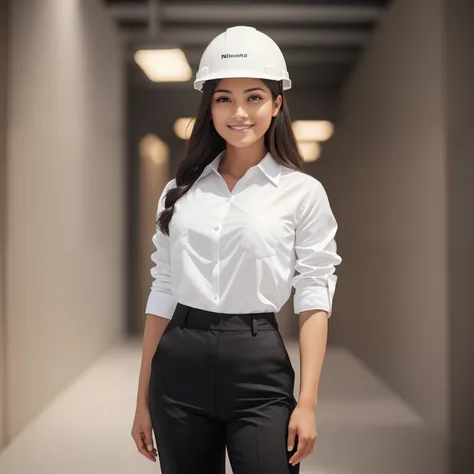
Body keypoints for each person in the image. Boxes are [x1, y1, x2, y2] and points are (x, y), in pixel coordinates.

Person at [131, 25, 342, 474]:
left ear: (277, 103)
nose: (239, 112)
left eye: (254, 97)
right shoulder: (179, 192)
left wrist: (307, 401)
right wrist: (142, 398)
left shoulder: (302, 192)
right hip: (179, 361)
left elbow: (314, 295)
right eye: (224, 98)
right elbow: (163, 289)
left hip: (258, 361)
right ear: (209, 106)